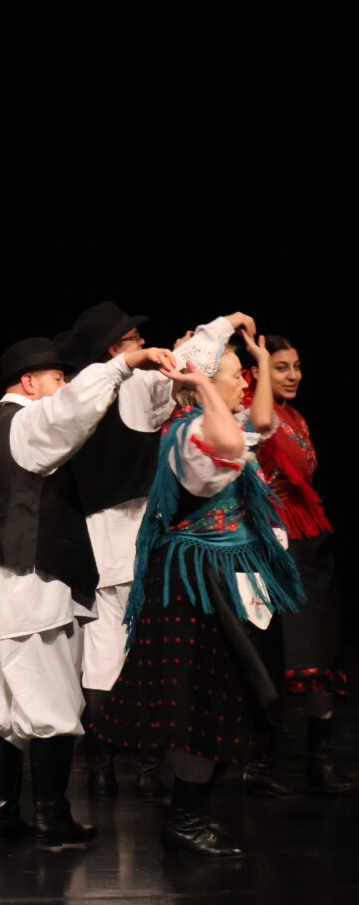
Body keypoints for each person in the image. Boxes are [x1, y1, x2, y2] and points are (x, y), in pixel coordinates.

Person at [0, 335, 174, 849]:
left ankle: (1, 814)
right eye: (57, 377)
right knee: (51, 704)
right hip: (30, 587)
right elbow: (73, 408)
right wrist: (124, 364)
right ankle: (51, 815)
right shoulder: (27, 422)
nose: (64, 385)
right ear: (29, 382)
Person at [91, 334, 305, 855]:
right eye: (236, 376)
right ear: (203, 384)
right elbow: (230, 448)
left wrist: (255, 361)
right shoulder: (191, 432)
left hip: (226, 577)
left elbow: (260, 425)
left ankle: (189, 814)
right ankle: (183, 818)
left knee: (230, 699)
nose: (244, 384)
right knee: (208, 702)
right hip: (200, 584)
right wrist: (203, 385)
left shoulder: (212, 423)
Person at [57, 304, 252, 798]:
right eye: (134, 338)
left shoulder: (73, 394)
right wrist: (227, 322)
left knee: (101, 654)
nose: (145, 343)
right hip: (136, 534)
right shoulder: (136, 387)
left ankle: (101, 764)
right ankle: (150, 761)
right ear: (114, 349)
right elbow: (196, 359)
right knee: (147, 651)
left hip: (92, 537)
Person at [250, 335, 356, 795]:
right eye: (281, 367)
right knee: (278, 652)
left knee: (321, 650)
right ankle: (261, 764)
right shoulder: (254, 415)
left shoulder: (296, 417)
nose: (293, 375)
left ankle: (319, 760)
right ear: (257, 371)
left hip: (309, 538)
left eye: (296, 366)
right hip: (275, 541)